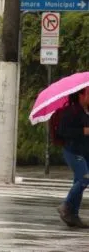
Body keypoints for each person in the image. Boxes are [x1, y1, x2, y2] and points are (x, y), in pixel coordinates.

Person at [57, 87, 89, 228]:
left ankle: (73, 215)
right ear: (80, 95)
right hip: (72, 151)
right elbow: (62, 131)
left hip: (84, 152)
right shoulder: (70, 112)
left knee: (80, 181)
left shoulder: (85, 111)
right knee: (85, 178)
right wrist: (83, 131)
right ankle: (66, 205)